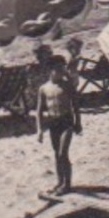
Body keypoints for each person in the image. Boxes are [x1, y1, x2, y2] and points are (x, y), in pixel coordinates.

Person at [35, 57, 80, 195]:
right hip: (53, 123)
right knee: (56, 154)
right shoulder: (44, 88)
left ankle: (67, 184)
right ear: (50, 70)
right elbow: (39, 111)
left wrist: (78, 122)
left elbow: (75, 106)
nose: (61, 71)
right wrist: (39, 130)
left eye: (63, 68)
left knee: (62, 153)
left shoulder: (67, 86)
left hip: (66, 121)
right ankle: (60, 182)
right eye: (58, 69)